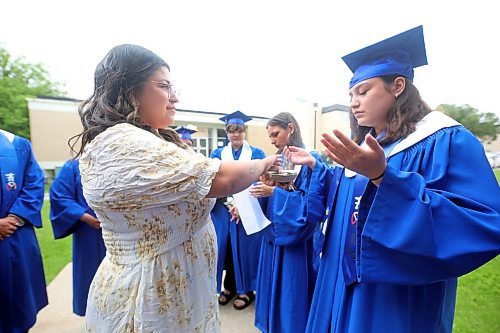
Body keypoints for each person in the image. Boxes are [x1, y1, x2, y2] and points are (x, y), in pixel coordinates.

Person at [287, 25, 500, 333]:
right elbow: (347, 204)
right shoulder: (367, 146)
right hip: (341, 280)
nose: (353, 103)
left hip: (395, 293)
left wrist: (385, 178)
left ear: (398, 85)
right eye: (350, 95)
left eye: (363, 91)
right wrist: (318, 169)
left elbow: (484, 220)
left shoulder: (444, 139)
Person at [73, 44, 276, 332]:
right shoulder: (123, 143)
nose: (175, 97)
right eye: (164, 86)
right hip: (149, 296)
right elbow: (225, 180)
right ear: (130, 89)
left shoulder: (146, 139)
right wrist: (269, 163)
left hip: (177, 290)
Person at [249, 112, 326, 333]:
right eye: (270, 136)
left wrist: (274, 192)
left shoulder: (311, 160)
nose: (272, 140)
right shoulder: (277, 158)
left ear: (290, 128)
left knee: (293, 287)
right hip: (274, 232)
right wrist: (264, 186)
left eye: (276, 134)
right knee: (273, 283)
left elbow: (313, 204)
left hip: (296, 236)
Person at [210, 110, 266, 310]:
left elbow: (259, 180)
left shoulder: (257, 154)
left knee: (244, 250)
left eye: (239, 130)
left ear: (245, 132)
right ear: (226, 133)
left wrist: (241, 205)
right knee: (225, 251)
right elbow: (214, 180)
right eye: (231, 130)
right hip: (224, 211)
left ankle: (246, 290)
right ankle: (229, 287)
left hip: (248, 209)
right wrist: (230, 203)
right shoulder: (217, 154)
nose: (235, 134)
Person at [0, 128, 47, 333]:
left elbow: (34, 183)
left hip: (14, 234)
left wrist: (14, 217)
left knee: (18, 307)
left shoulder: (16, 144)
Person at [49, 158, 106, 316]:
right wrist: (84, 216)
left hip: (124, 231)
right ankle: (92, 318)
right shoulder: (75, 165)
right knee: (90, 276)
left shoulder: (126, 161)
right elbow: (59, 196)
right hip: (90, 234)